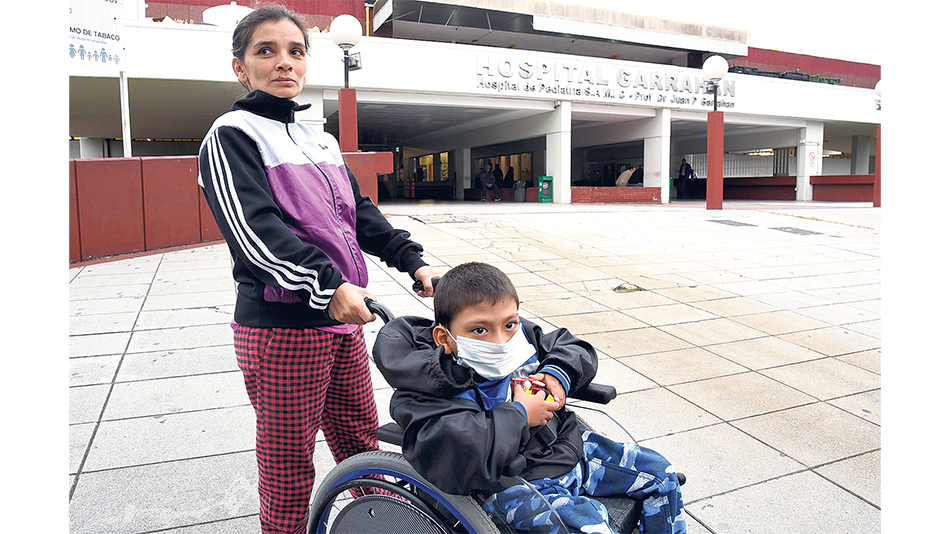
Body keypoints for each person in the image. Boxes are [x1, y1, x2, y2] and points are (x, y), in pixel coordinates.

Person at [196, 6, 440, 533]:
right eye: (266, 50)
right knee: (288, 466)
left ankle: (378, 523)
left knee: (358, 440)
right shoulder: (231, 134)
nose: (284, 62)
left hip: (343, 320)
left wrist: (413, 262)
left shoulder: (319, 138)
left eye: (295, 51)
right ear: (240, 67)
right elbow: (256, 233)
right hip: (283, 331)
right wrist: (329, 288)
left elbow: (360, 217)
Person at [374, 262, 687, 534]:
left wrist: (558, 372)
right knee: (593, 525)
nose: (501, 341)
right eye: (480, 330)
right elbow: (462, 452)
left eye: (509, 324)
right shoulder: (427, 391)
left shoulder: (518, 338)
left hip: (565, 450)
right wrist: (520, 415)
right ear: (446, 338)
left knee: (662, 473)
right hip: (507, 483)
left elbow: (570, 346)